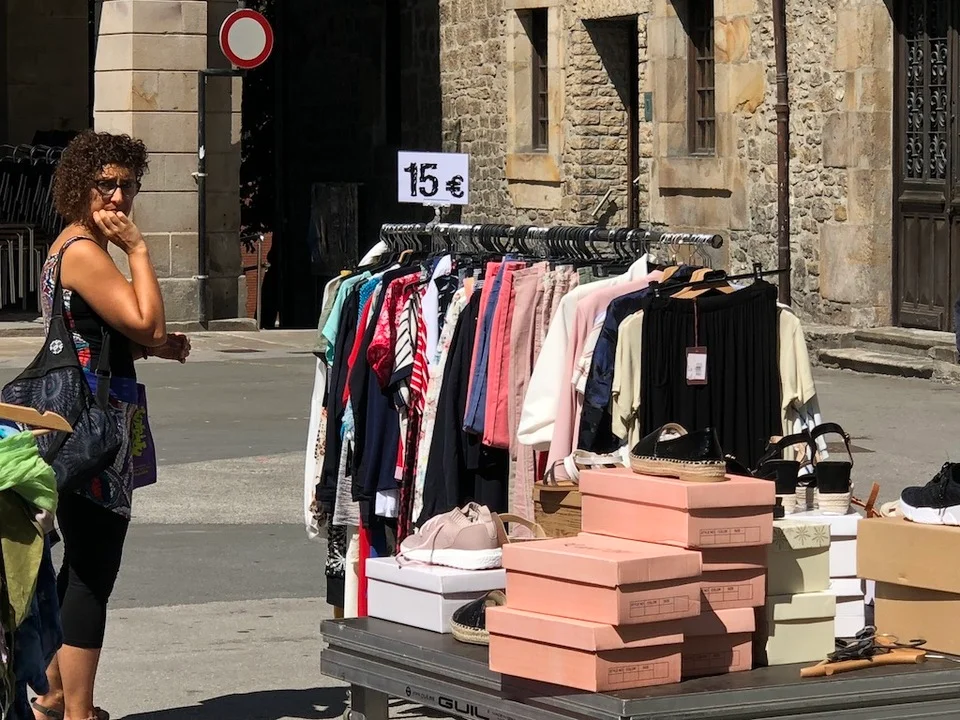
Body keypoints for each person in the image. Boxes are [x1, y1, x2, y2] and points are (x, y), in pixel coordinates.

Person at [30, 130, 191, 720]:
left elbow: (96, 336)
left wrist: (154, 347)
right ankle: (78, 712)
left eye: (128, 185)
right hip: (94, 427)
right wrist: (140, 250)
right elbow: (147, 322)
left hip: (79, 419)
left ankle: (53, 695)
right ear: (80, 184)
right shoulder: (83, 250)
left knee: (80, 560)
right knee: (93, 571)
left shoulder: (68, 246)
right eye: (106, 184)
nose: (119, 197)